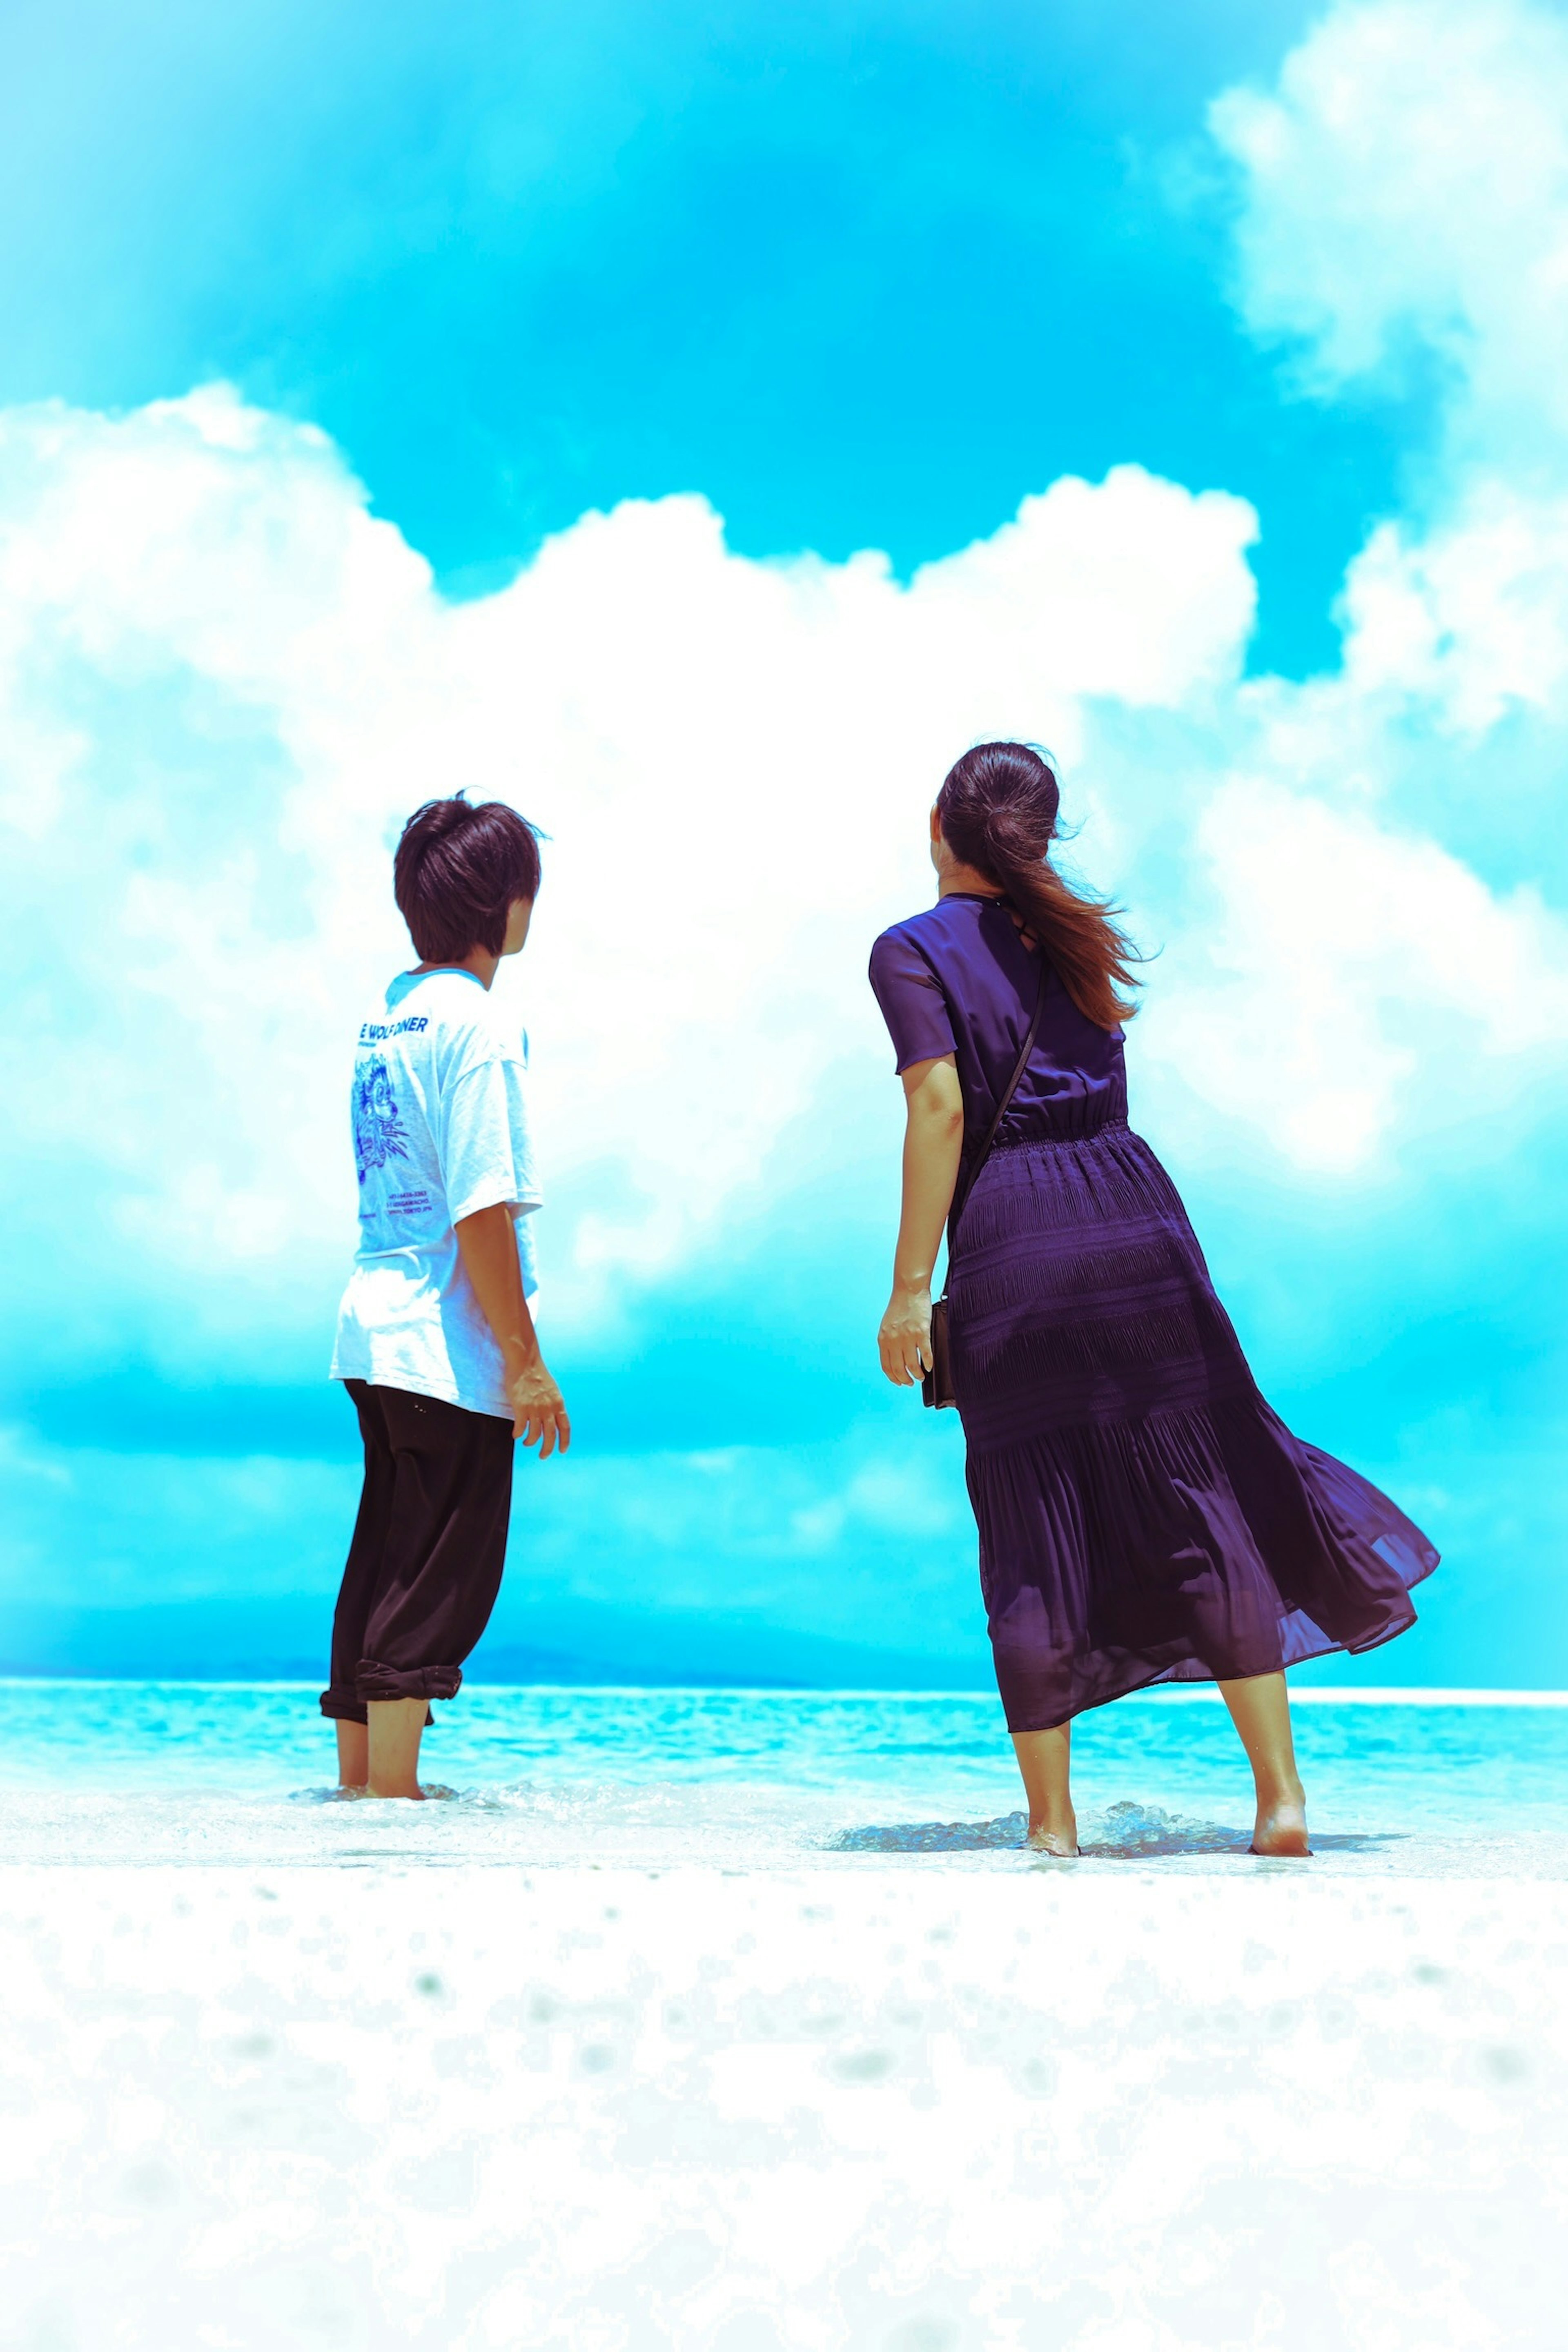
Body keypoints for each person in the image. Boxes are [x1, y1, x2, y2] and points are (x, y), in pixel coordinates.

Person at [869, 742, 1438, 1857]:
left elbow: (938, 1109)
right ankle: (1280, 1800)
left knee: (1029, 1518)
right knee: (1200, 1491)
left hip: (1014, 1226)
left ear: (942, 824)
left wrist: (907, 1291)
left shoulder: (910, 950)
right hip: (1132, 1206)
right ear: (1040, 834)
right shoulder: (1078, 938)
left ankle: (1053, 1826)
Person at [323, 795, 570, 1799]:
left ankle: (355, 1797)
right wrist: (524, 1361)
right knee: (435, 1582)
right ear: (504, 906)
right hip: (442, 1345)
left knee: (384, 1559)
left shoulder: (389, 1013)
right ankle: (392, 1803)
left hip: (373, 1328)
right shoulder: (479, 1025)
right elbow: (482, 1207)